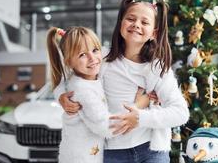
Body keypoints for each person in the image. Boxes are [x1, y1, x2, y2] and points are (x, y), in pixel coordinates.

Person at [58, 0, 190, 163]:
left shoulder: (158, 69)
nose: (136, 25)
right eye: (131, 19)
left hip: (150, 150)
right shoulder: (102, 58)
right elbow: (72, 77)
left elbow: (181, 113)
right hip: (112, 152)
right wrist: (62, 96)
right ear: (121, 23)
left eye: (145, 22)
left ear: (153, 34)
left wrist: (140, 118)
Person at [46, 26, 150, 163]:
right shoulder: (83, 90)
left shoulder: (93, 73)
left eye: (95, 50)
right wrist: (139, 105)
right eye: (82, 54)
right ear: (69, 62)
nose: (92, 58)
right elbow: (106, 127)